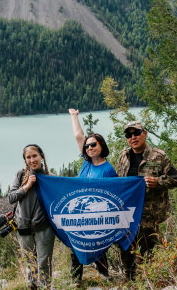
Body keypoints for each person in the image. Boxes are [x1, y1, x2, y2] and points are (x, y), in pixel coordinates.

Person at [115, 120, 177, 281]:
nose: (133, 137)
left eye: (136, 133)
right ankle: (129, 276)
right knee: (126, 244)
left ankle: (148, 278)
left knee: (148, 246)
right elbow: (118, 181)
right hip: (127, 211)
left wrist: (158, 182)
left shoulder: (159, 156)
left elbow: (176, 178)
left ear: (145, 134)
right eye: (129, 135)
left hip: (150, 212)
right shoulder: (124, 155)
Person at [68, 108, 117, 284]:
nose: (89, 148)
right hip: (80, 213)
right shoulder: (86, 162)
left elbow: (112, 196)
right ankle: (76, 280)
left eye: (93, 145)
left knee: (98, 246)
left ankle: (104, 275)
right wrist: (74, 116)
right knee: (75, 246)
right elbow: (78, 136)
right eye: (87, 146)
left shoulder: (108, 170)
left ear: (101, 146)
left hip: (97, 215)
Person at [8, 144, 56, 290]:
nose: (32, 160)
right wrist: (27, 186)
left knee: (44, 262)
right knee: (30, 263)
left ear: (41, 156)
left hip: (44, 227)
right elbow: (11, 197)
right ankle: (33, 286)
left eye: (34, 156)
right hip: (23, 227)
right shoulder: (21, 175)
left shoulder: (50, 178)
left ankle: (45, 287)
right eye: (28, 157)